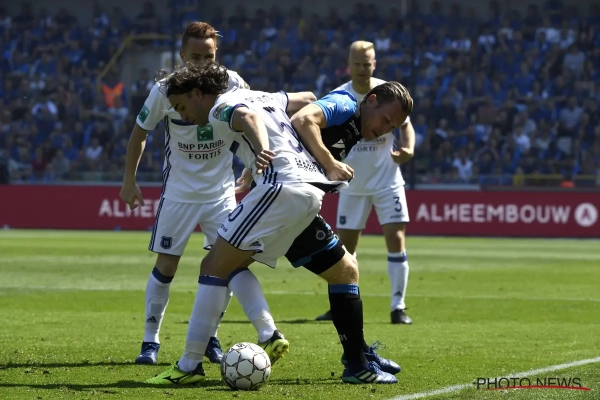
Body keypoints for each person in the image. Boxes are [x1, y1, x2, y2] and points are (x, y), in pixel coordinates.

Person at [119, 21, 286, 366]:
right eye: (195, 57)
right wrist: (129, 180)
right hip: (178, 194)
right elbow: (140, 132)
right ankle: (150, 341)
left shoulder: (233, 83)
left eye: (208, 56)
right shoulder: (166, 90)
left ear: (216, 54)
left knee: (228, 264)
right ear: (182, 56)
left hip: (221, 194)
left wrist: (251, 163)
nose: (202, 64)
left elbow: (252, 120)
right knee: (166, 265)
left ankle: (211, 337)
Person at [314, 41, 415, 325]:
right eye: (357, 63)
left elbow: (407, 126)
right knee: (344, 249)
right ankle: (341, 305)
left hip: (387, 181)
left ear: (374, 64)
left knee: (396, 239)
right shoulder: (339, 96)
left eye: (366, 63)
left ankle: (398, 307)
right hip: (352, 184)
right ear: (349, 64)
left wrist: (408, 148)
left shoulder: (387, 93)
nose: (362, 68)